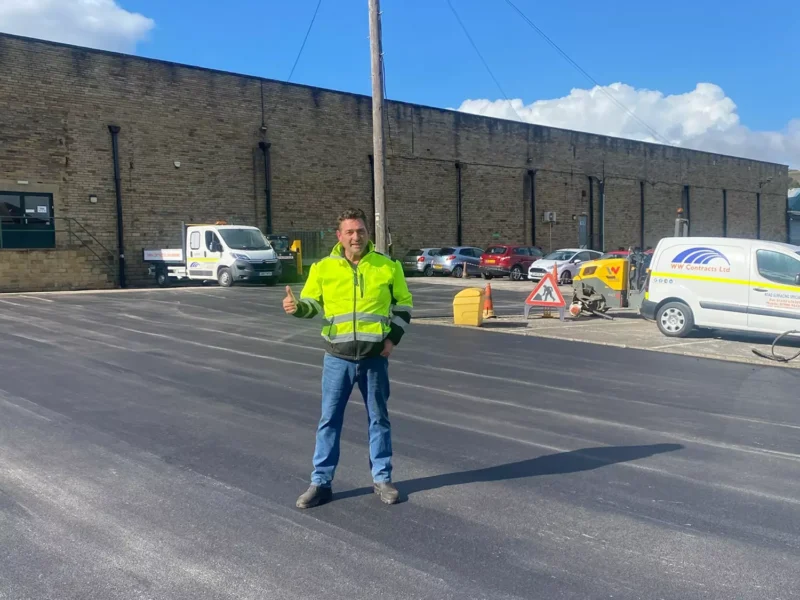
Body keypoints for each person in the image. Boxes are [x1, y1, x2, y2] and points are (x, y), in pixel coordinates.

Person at [283, 208, 413, 509]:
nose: (356, 236)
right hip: (337, 359)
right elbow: (313, 304)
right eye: (350, 232)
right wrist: (297, 307)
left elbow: (404, 305)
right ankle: (321, 483)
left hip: (374, 359)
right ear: (340, 236)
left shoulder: (387, 266)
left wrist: (392, 338)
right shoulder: (323, 268)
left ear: (368, 233)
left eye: (361, 230)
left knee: (379, 419)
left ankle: (382, 479)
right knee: (329, 421)